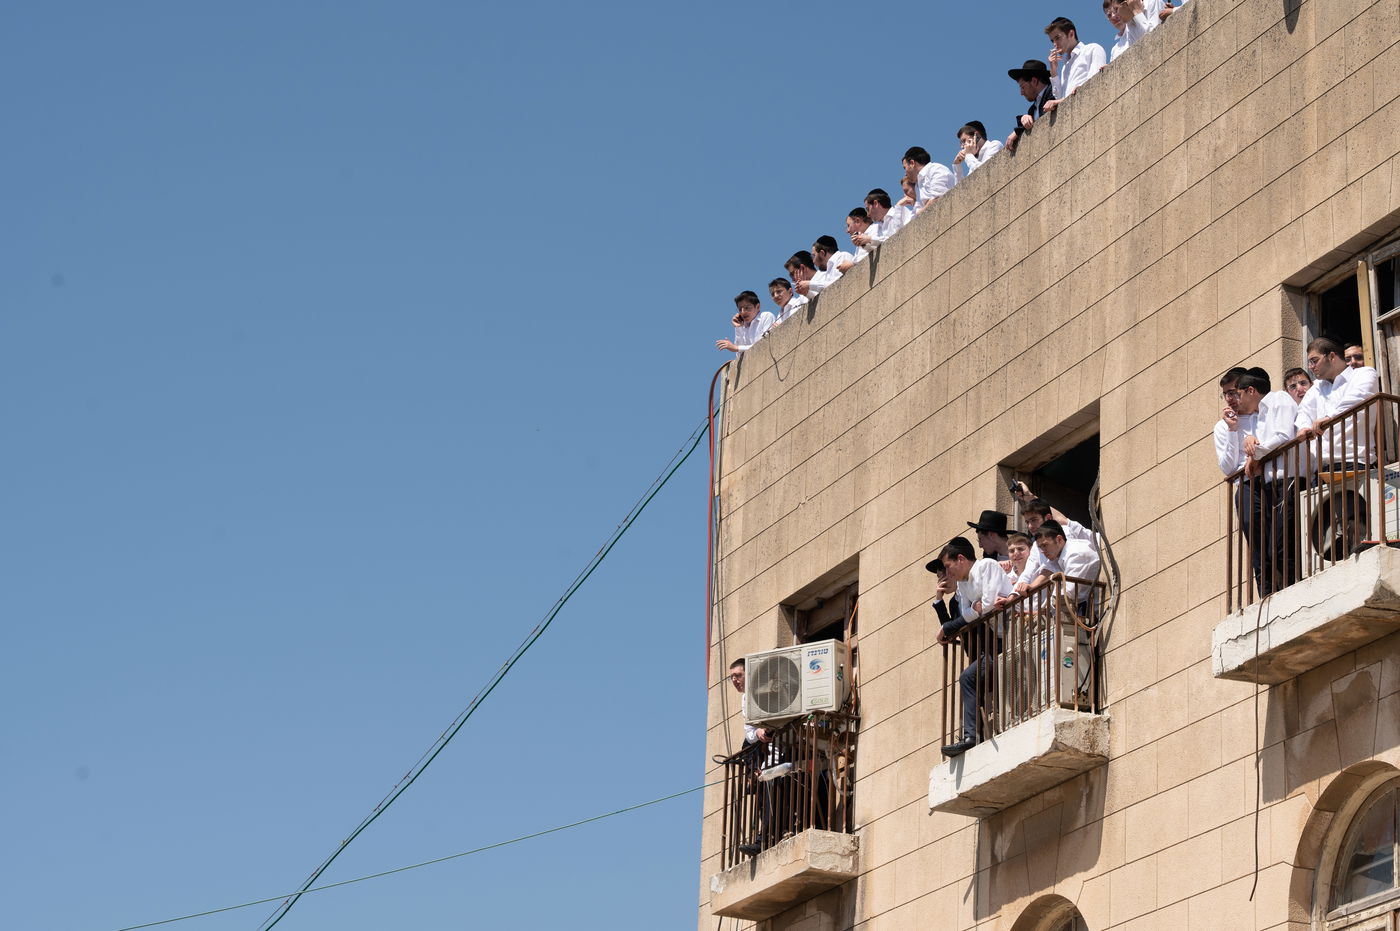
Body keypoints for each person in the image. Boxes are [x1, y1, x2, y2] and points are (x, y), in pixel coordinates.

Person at [1219, 368, 1300, 595]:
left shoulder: (1276, 401)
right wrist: (1240, 436)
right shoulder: (1236, 421)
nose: (1234, 399)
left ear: (1250, 390)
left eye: (1238, 393)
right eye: (1227, 394)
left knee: (1282, 541)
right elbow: (1227, 466)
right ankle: (1270, 590)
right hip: (1261, 482)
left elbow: (1283, 436)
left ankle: (1289, 588)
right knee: (1265, 545)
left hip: (1282, 479)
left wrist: (1256, 452)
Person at [933, 537, 1014, 757]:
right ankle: (972, 735)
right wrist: (971, 613)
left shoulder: (986, 566)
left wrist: (973, 613)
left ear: (960, 559)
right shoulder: (962, 584)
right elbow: (968, 614)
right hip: (993, 641)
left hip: (1006, 638)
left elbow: (986, 606)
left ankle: (971, 736)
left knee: (968, 678)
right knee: (972, 678)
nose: (948, 573)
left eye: (948, 566)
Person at [1295, 336, 1381, 466]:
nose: (1311, 367)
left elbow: (1358, 398)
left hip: (1356, 460)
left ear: (1331, 357)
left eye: (1314, 360)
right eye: (1310, 362)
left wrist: (1330, 417)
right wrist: (1304, 427)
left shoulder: (1364, 374)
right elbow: (1303, 411)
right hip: (1322, 466)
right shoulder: (1317, 386)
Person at [728, 658, 776, 857]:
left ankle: (763, 838)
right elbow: (750, 730)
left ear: (749, 674)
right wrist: (758, 734)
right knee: (763, 795)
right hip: (766, 754)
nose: (735, 680)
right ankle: (761, 838)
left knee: (769, 792)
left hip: (778, 752)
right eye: (731, 678)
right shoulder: (746, 698)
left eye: (738, 675)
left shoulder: (768, 692)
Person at [1023, 520, 1103, 612]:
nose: (1042, 551)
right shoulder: (1065, 553)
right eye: (1040, 547)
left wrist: (1042, 611)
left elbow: (1066, 594)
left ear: (1059, 539)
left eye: (1045, 545)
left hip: (1094, 613)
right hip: (1088, 610)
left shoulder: (1075, 553)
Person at [1044, 16, 1106, 107]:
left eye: (1057, 38)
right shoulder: (1065, 66)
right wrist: (1053, 72)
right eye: (1052, 40)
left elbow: (1096, 83)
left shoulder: (1092, 49)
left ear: (1071, 34)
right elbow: (1060, 99)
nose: (1054, 44)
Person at [1005, 59, 1056, 153]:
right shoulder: (1033, 109)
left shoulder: (1053, 91)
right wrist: (1022, 121)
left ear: (1034, 81)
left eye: (1023, 87)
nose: (1021, 92)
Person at [901, 146, 955, 215]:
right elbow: (917, 211)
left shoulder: (936, 169)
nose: (905, 173)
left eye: (905, 168)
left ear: (912, 163)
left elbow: (937, 200)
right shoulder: (918, 185)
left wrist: (920, 212)